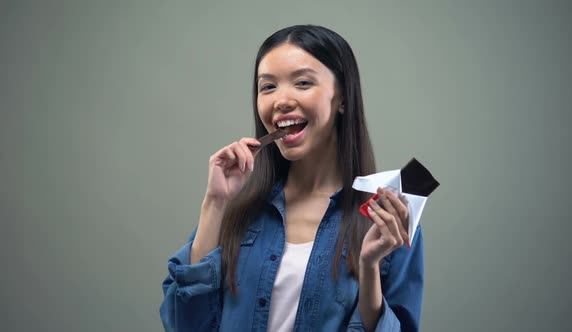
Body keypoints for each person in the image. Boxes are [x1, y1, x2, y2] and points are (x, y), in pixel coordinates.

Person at [160, 25, 424, 332]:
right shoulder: (237, 209)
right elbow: (184, 326)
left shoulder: (388, 218)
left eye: (302, 83)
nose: (281, 100)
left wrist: (368, 267)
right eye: (268, 87)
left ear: (342, 98)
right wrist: (215, 204)